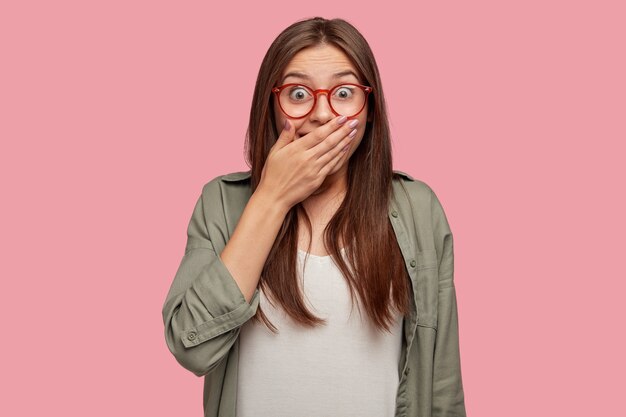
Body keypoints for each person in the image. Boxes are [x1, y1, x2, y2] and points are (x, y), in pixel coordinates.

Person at [162, 16, 467, 417]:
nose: (322, 115)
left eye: (343, 92)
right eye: (299, 93)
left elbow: (442, 384)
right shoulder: (221, 202)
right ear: (271, 106)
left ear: (369, 107)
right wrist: (271, 198)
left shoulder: (418, 209)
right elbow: (191, 346)